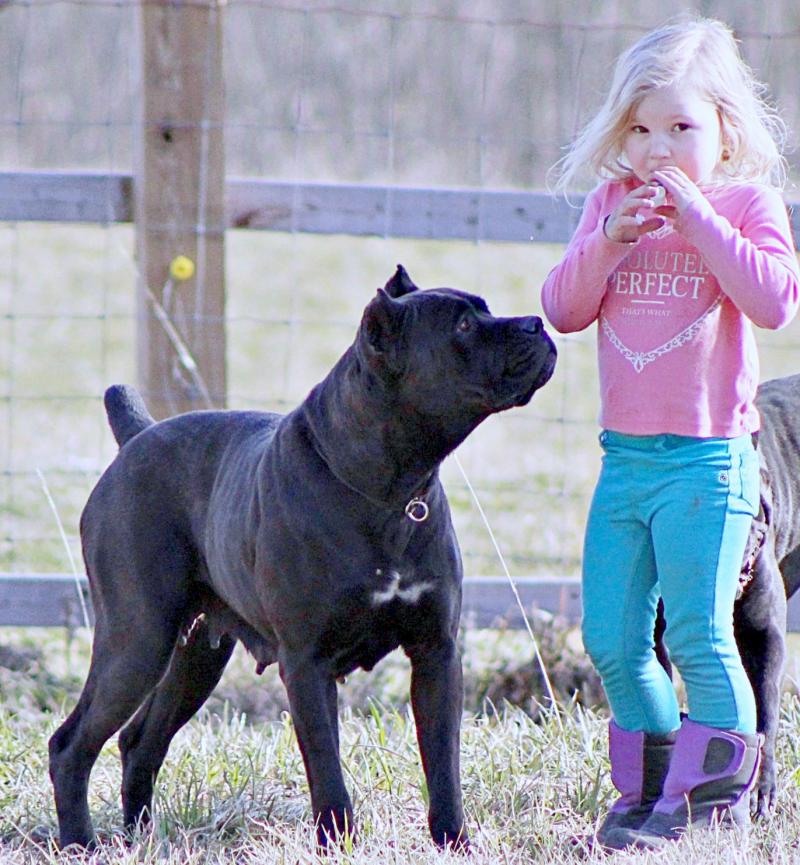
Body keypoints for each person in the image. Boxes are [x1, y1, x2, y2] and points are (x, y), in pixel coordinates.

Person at [540, 16, 800, 850]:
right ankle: (648, 789)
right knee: (613, 635)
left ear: (726, 129)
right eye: (641, 129)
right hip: (626, 463)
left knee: (696, 629)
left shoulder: (746, 204)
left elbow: (773, 302)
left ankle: (709, 799)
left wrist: (701, 224)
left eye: (681, 127)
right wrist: (609, 245)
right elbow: (563, 309)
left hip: (709, 463)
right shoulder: (609, 205)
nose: (659, 148)